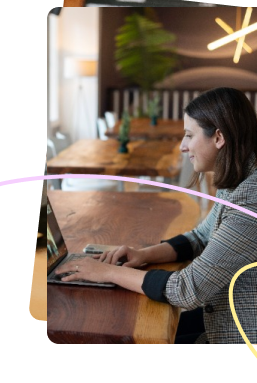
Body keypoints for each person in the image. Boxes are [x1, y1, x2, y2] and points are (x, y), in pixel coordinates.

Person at [55, 87, 257, 347]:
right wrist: (144, 254)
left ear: (218, 137)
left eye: (189, 135)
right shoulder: (239, 179)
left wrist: (107, 273)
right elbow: (199, 237)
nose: (183, 147)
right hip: (225, 315)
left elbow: (188, 289)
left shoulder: (250, 199)